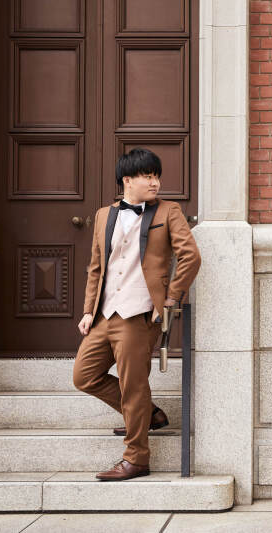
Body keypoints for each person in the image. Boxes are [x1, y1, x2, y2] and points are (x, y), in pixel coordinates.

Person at [72, 148, 201, 481]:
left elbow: (190, 257)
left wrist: (172, 298)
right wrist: (89, 310)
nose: (155, 181)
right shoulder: (104, 215)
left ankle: (136, 459)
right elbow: (97, 267)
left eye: (156, 175)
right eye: (147, 175)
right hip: (104, 316)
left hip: (140, 315)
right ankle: (150, 415)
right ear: (127, 180)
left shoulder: (170, 211)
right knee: (84, 376)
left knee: (134, 386)